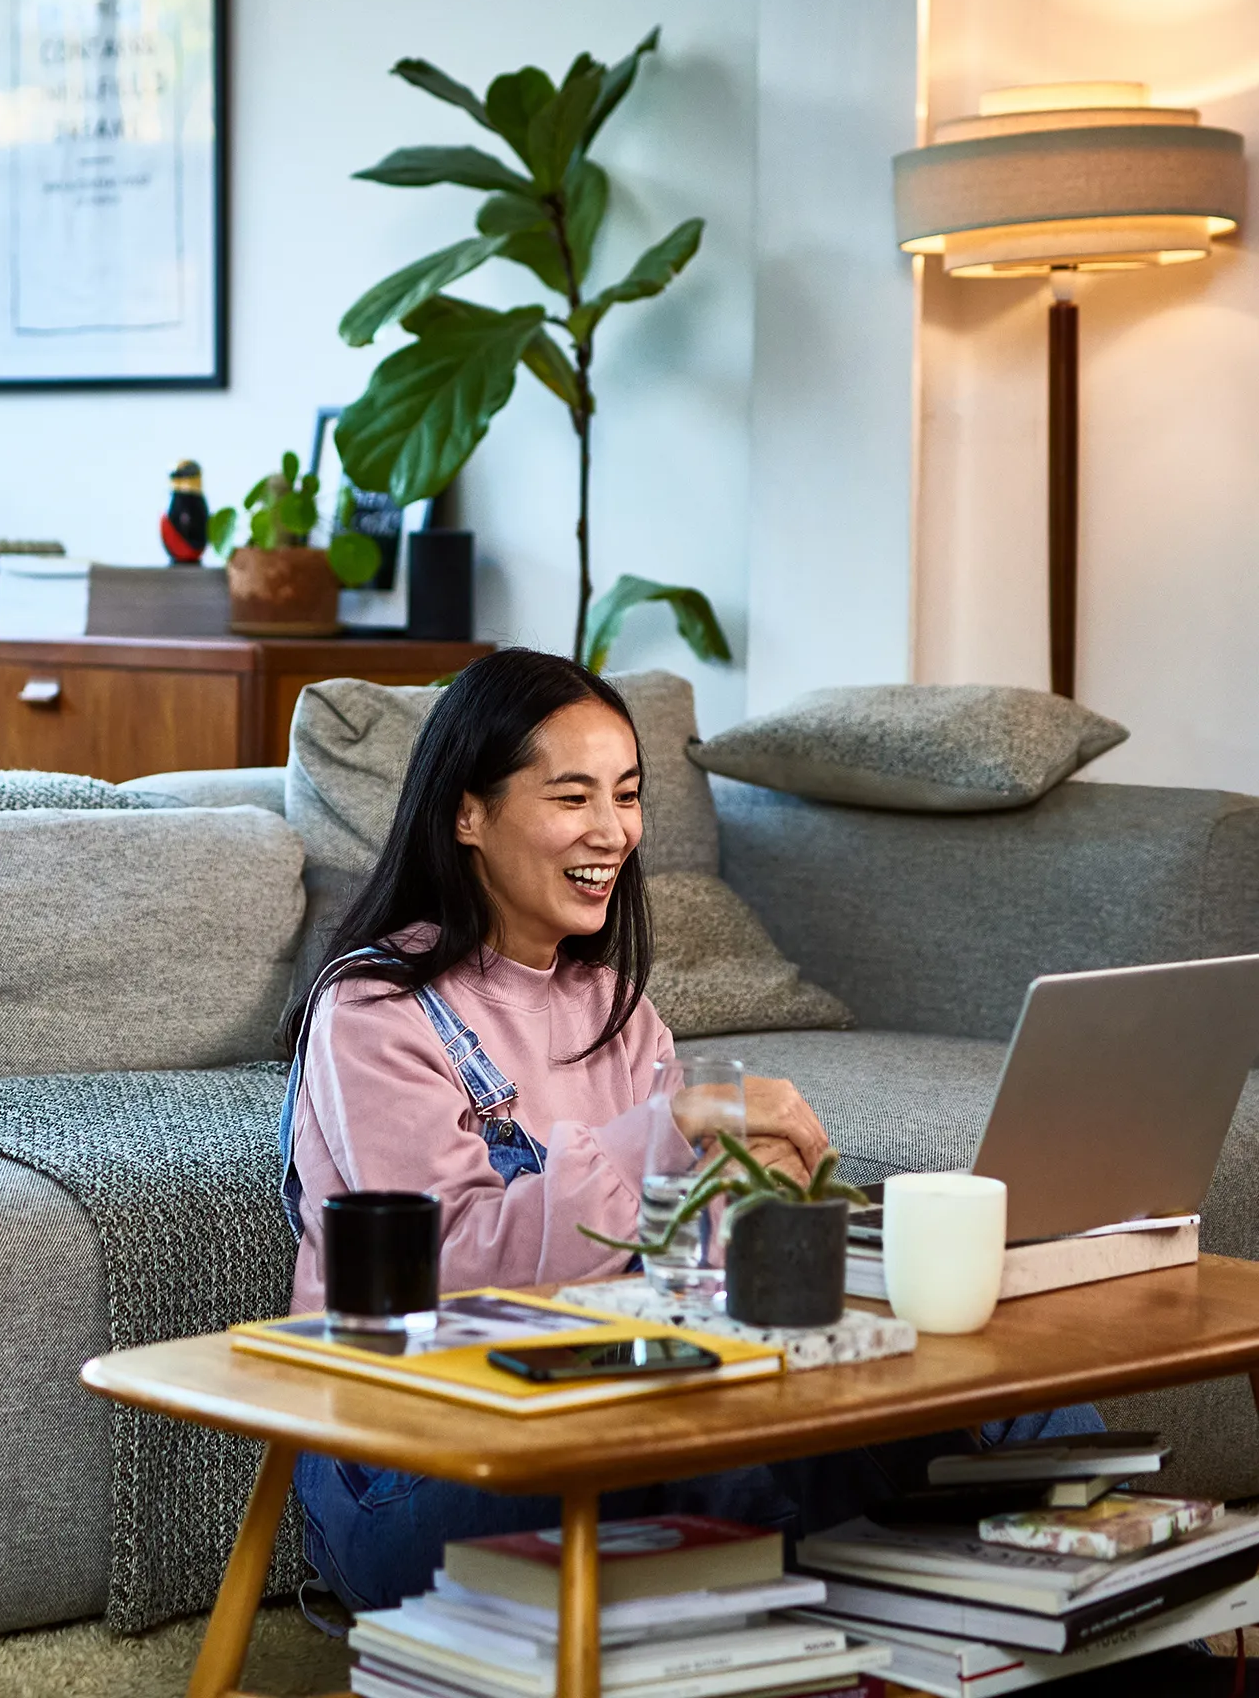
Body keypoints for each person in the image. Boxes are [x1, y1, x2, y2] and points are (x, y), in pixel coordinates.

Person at [279, 649, 1097, 1615]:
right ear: (468, 813)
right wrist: (667, 1132)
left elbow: (683, 1276)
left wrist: (769, 1212)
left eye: (627, 796)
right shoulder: (376, 1009)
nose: (613, 830)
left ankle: (1110, 1616)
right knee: (752, 1468)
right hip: (416, 1453)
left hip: (615, 1392)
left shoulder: (617, 1008)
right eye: (572, 796)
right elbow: (452, 1273)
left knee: (1014, 1390)